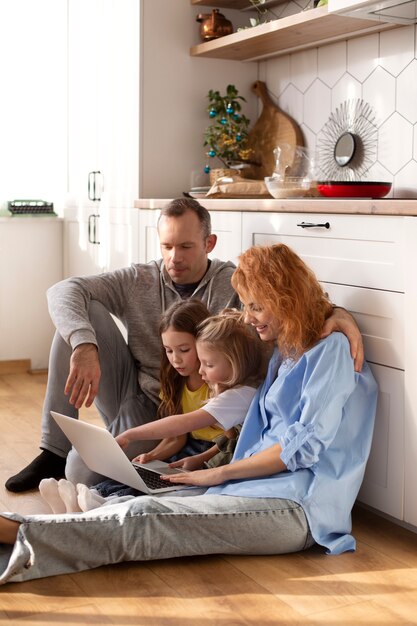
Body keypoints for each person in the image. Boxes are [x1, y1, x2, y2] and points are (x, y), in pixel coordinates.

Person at [0, 243, 377, 585]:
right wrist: (211, 474)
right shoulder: (283, 347)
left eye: (256, 306)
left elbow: (303, 451)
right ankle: (42, 528)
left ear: (286, 299)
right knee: (138, 502)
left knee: (145, 523)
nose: (247, 317)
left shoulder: (331, 352)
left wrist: (217, 472)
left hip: (296, 507)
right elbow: (249, 330)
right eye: (247, 306)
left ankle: (17, 535)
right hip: (247, 488)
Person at [6, 198, 364, 493]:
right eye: (166, 246)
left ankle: (112, 474)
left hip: (193, 412)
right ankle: (52, 449)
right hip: (142, 401)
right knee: (74, 323)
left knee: (82, 473)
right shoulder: (138, 279)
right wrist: (84, 344)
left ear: (209, 244)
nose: (174, 257)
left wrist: (339, 313)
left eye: (186, 247)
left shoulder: (232, 283)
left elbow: (285, 300)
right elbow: (63, 290)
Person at [38, 306, 266, 513]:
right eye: (168, 350)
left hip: (221, 465)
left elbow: (188, 425)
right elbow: (208, 439)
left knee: (166, 491)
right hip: (199, 453)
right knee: (143, 476)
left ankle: (100, 505)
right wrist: (156, 455)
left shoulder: (237, 395)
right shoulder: (199, 384)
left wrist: (131, 433)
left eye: (207, 363)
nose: (176, 359)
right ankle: (89, 498)